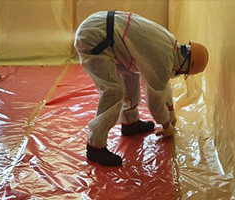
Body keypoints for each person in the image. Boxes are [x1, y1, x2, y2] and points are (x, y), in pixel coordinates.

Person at [74, 11, 209, 166]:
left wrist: (171, 111)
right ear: (186, 67)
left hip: (102, 30)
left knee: (132, 73)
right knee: (113, 91)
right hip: (93, 38)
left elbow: (163, 84)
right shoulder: (163, 61)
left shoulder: (170, 45)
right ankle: (95, 146)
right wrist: (166, 125)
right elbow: (154, 101)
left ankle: (130, 122)